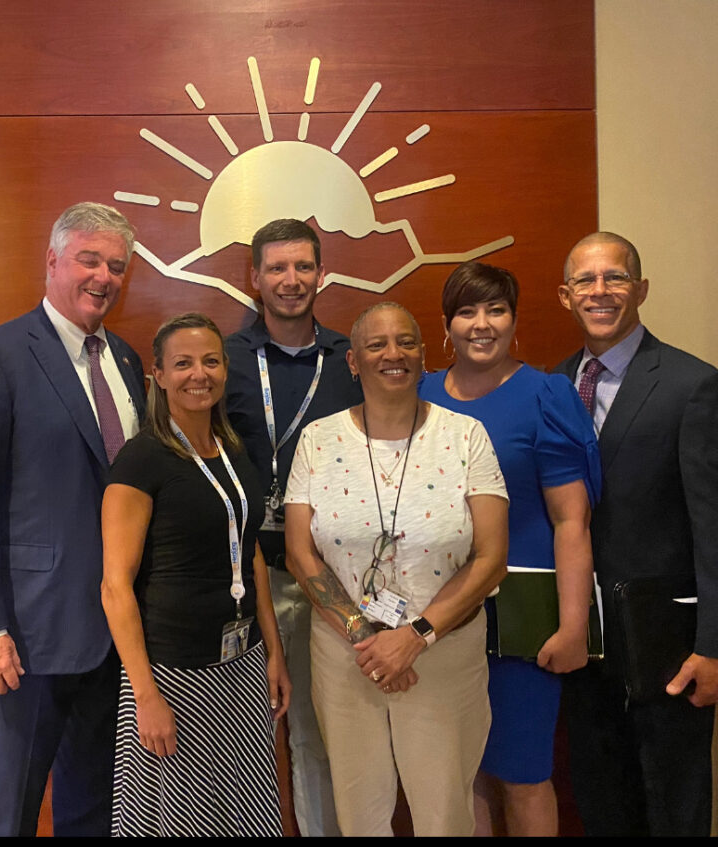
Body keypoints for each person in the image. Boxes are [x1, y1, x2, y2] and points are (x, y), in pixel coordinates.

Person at [0, 202, 146, 836]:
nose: (103, 276)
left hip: (112, 639)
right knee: (5, 813)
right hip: (24, 641)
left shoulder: (126, 361)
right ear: (53, 260)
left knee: (92, 812)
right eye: (89, 259)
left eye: (116, 265)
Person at [284, 302, 510, 836]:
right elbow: (299, 553)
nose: (394, 354)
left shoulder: (466, 436)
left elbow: (490, 557)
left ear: (424, 355)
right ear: (354, 362)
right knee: (358, 811)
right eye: (377, 345)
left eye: (406, 342)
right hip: (347, 655)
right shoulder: (319, 440)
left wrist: (415, 637)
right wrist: (369, 638)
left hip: (445, 652)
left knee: (445, 814)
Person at [417, 261, 601, 837]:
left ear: (514, 319)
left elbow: (571, 520)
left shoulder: (546, 395)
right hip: (438, 616)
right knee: (457, 772)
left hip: (524, 619)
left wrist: (575, 628)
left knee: (523, 774)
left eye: (495, 309)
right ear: (446, 325)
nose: (482, 323)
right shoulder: (417, 392)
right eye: (467, 310)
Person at [554, 231, 718, 837]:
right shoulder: (553, 385)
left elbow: (714, 529)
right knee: (601, 804)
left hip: (668, 646)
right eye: (586, 281)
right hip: (581, 643)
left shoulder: (691, 385)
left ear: (640, 289)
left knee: (674, 808)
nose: (601, 292)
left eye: (615, 278)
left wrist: (715, 647)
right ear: (565, 295)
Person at [101, 312, 290, 837]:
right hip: (174, 676)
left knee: (243, 813)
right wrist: (145, 694)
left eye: (209, 361)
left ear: (226, 369)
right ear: (158, 376)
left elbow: (250, 553)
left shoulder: (233, 451)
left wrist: (273, 652)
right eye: (182, 364)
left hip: (242, 665)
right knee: (179, 819)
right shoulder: (140, 462)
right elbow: (115, 586)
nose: (197, 374)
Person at [224, 218, 362, 837]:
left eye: (303, 267)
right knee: (239, 738)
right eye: (277, 269)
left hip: (324, 575)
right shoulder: (223, 359)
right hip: (243, 577)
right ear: (254, 279)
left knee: (319, 733)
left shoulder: (350, 360)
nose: (291, 280)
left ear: (321, 275)